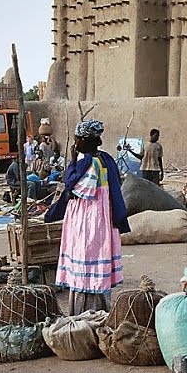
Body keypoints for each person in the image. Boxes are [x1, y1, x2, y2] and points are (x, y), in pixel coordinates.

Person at [44, 120, 130, 315]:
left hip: (89, 218)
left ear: (84, 140)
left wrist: (72, 164)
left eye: (76, 140)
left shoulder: (90, 163)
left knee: (86, 255)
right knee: (93, 255)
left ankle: (87, 312)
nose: (75, 143)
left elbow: (76, 189)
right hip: (98, 216)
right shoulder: (105, 159)